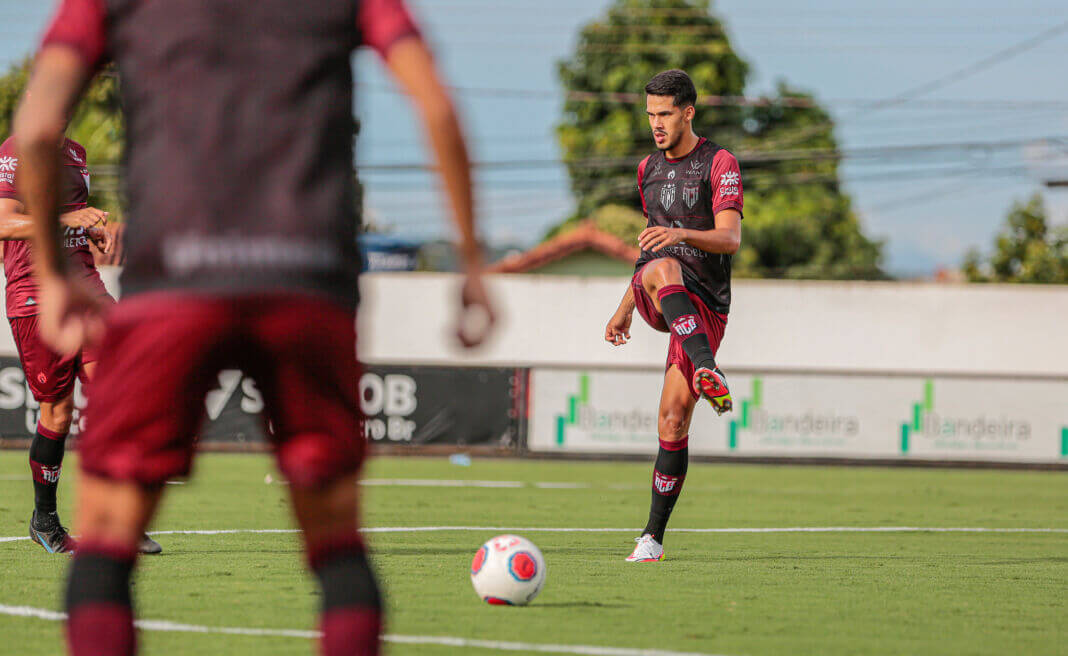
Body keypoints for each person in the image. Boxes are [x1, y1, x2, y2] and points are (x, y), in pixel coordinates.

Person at [15, 0, 493, 653]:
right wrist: (470, 263)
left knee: (104, 534)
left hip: (173, 283)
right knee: (335, 537)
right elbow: (435, 105)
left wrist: (51, 274)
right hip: (306, 283)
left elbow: (36, 126)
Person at [604, 69, 743, 563]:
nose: (656, 124)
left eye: (664, 114)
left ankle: (652, 539)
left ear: (688, 112)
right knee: (661, 266)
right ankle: (708, 365)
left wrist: (682, 235)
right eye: (650, 115)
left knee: (673, 416)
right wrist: (623, 310)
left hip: (705, 301)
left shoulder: (719, 162)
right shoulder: (647, 169)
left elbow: (730, 239)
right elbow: (651, 248)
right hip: (658, 290)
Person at [0, 133, 161, 556]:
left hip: (86, 287)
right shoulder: (16, 151)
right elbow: (3, 222)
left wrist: (91, 233)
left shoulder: (76, 152)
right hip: (36, 293)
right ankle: (44, 521)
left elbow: (71, 216)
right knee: (58, 411)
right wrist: (68, 221)